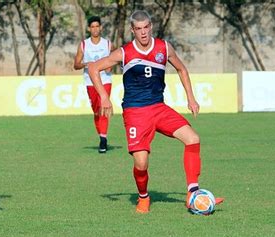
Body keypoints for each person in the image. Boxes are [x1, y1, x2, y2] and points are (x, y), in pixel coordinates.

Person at [88, 10, 223, 213]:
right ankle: (143, 197)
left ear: (151, 26)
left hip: (159, 108)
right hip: (135, 112)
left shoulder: (164, 47)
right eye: (138, 29)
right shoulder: (125, 52)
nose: (143, 32)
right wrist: (104, 97)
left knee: (193, 138)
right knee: (141, 163)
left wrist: (191, 98)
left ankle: (192, 193)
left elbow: (182, 69)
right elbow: (93, 68)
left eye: (146, 27)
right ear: (133, 30)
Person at [74, 16, 113, 153]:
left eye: (98, 26)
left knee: (104, 108)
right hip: (90, 82)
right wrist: (86, 64)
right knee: (96, 112)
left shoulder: (107, 44)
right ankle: (101, 134)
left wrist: (110, 67)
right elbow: (76, 65)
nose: (95, 29)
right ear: (89, 29)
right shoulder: (84, 45)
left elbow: (113, 59)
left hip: (105, 80)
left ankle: (103, 140)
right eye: (93, 27)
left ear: (101, 27)